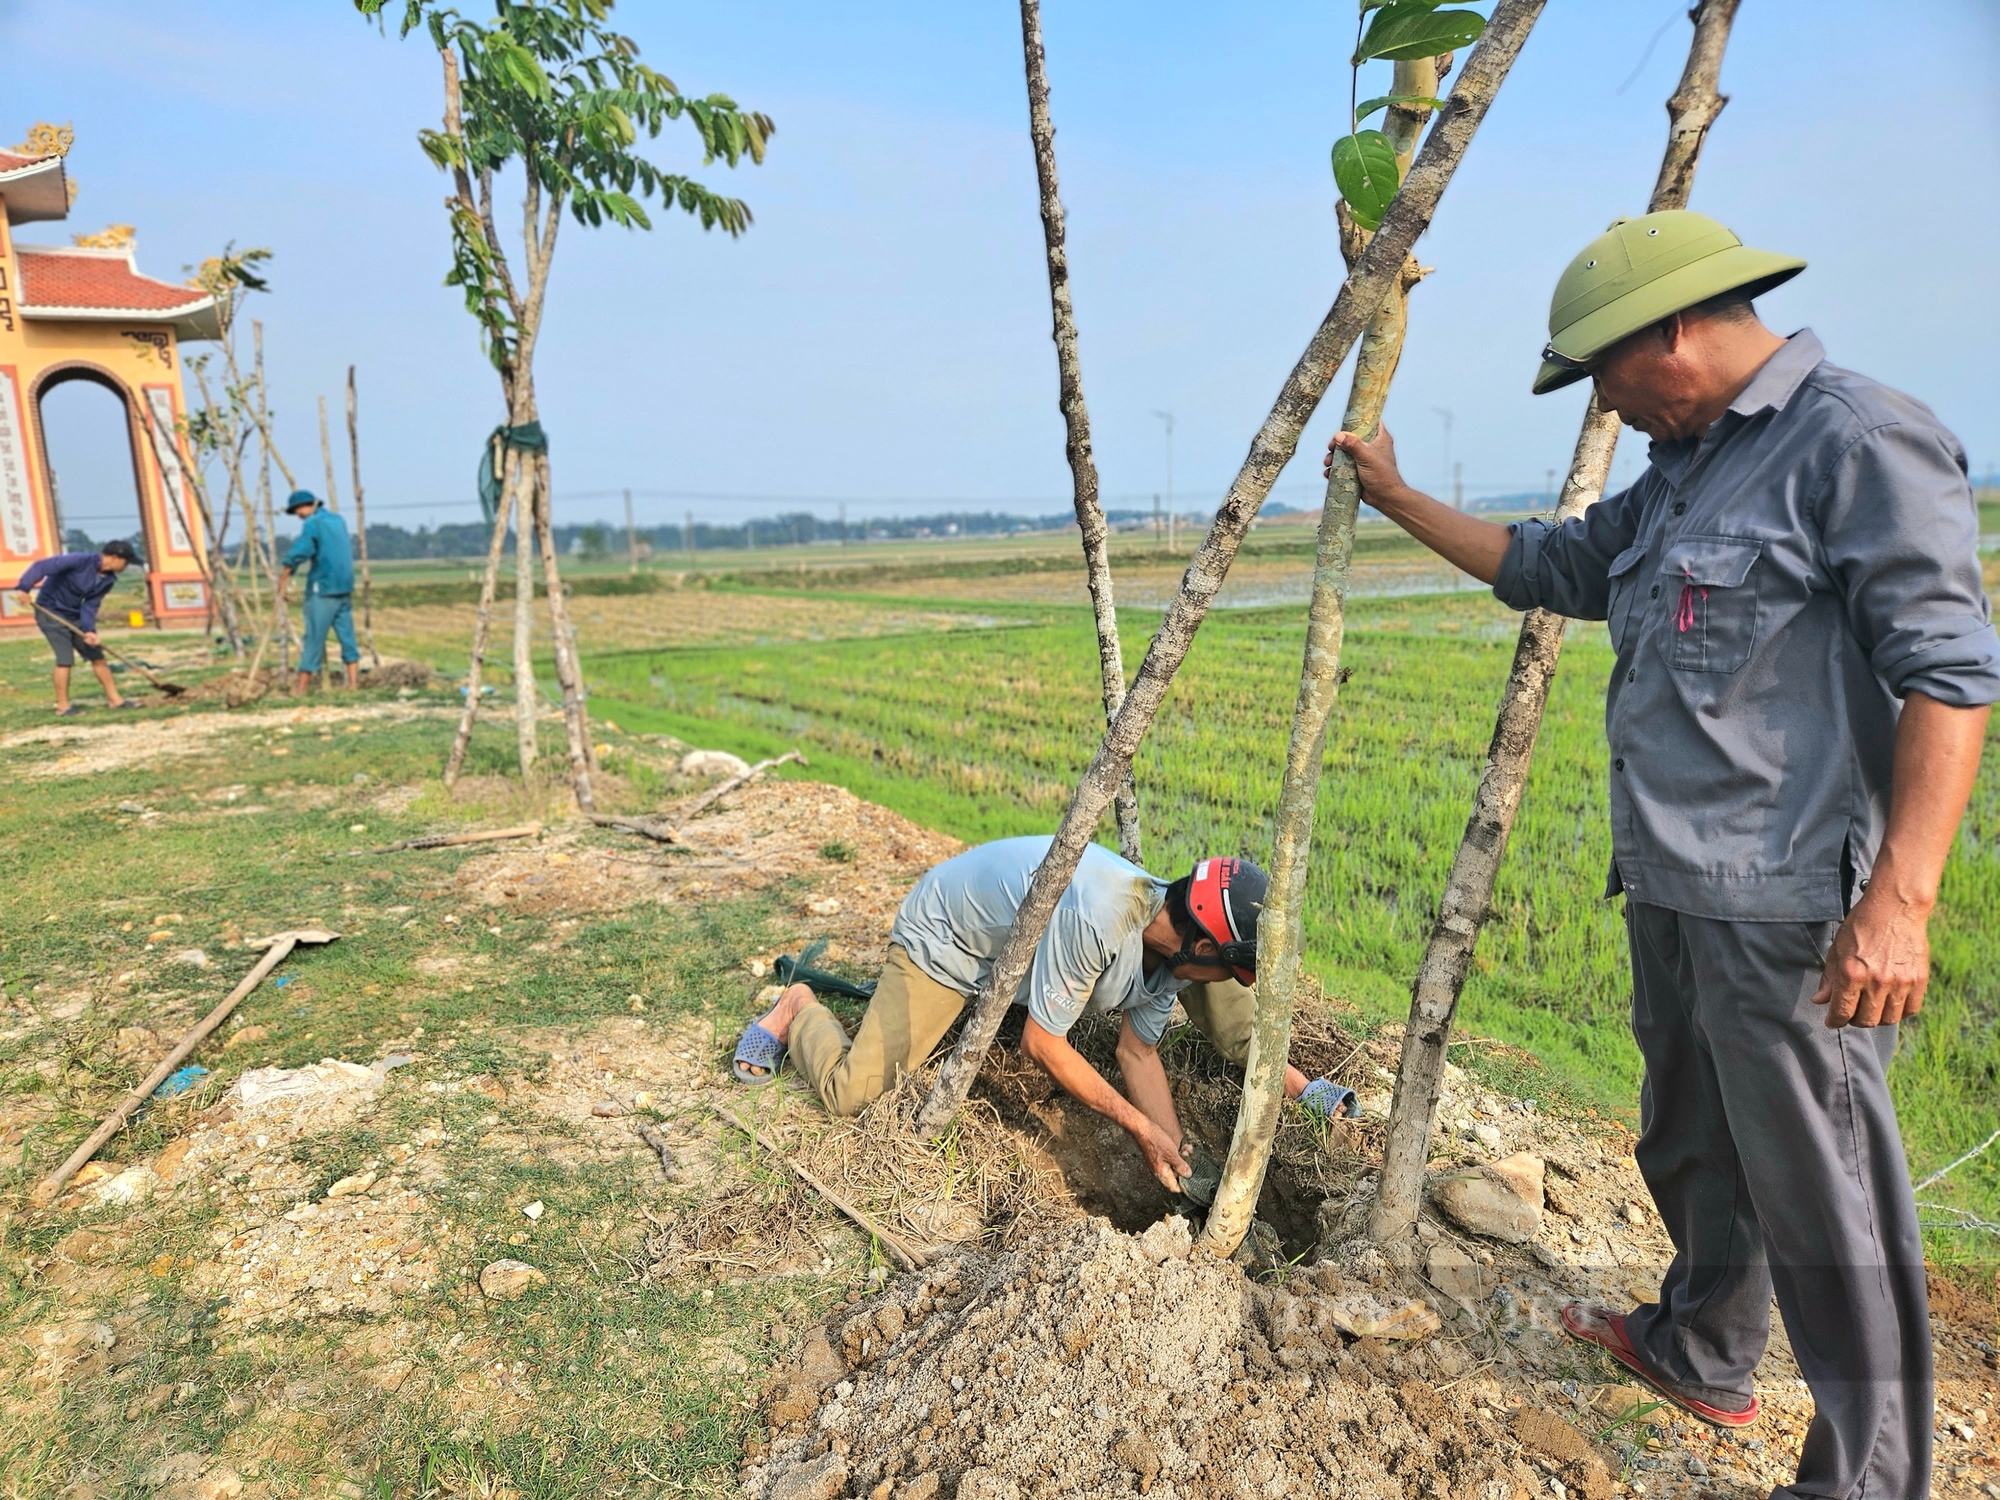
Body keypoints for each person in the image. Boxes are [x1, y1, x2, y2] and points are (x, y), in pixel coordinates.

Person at [1327, 209, 1996, 1500]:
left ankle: (1871, 1477)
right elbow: (1552, 565)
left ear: (1672, 335)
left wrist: (1902, 902)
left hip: (1795, 904)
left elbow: (1952, 678)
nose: (1607, 410)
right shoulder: (1688, 467)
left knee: (1825, 1198)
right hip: (1678, 886)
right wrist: (1402, 496)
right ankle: (1703, 1347)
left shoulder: (1855, 439)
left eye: (1602, 378)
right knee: (1691, 1140)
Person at [733, 836, 1357, 1193]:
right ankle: (796, 1009)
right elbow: (1042, 1043)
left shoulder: (1169, 957)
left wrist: (1175, 1152)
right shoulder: (1101, 916)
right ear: (1200, 945)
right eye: (1226, 969)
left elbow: (1137, 1054)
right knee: (851, 1093)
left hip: (1022, 951)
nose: (1224, 985)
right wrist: (1138, 1128)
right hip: (951, 937)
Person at [12, 540, 143, 715]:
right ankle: (63, 707)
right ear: (114, 558)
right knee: (65, 658)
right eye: (126, 562)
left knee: (97, 655)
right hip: (50, 612)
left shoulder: (108, 580)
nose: (126, 567)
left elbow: (90, 605)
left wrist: (89, 630)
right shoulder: (79, 560)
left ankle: (115, 700)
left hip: (74, 616)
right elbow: (40, 566)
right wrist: (24, 587)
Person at [278, 489, 359, 693]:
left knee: (314, 637)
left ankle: (302, 687)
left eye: (297, 511)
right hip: (344, 586)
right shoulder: (337, 520)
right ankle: (353, 683)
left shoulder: (313, 523)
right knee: (347, 636)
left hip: (323, 588)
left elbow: (302, 550)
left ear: (306, 506)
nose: (298, 515)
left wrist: (285, 576)